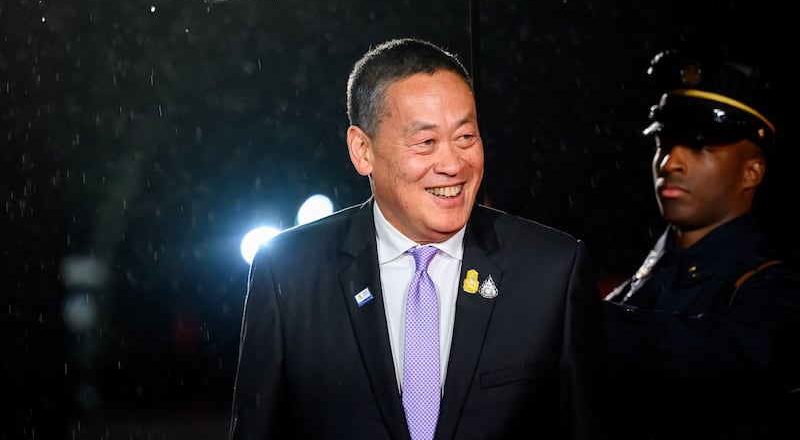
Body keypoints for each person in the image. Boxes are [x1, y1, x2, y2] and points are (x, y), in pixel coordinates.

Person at [228, 37, 609, 439]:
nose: (452, 164)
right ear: (362, 150)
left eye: (466, 137)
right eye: (426, 143)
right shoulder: (289, 273)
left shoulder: (551, 271)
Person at [604, 47, 800, 439]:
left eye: (698, 147)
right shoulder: (650, 271)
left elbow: (718, 354)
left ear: (752, 172)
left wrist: (577, 318)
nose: (669, 162)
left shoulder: (770, 286)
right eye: (663, 143)